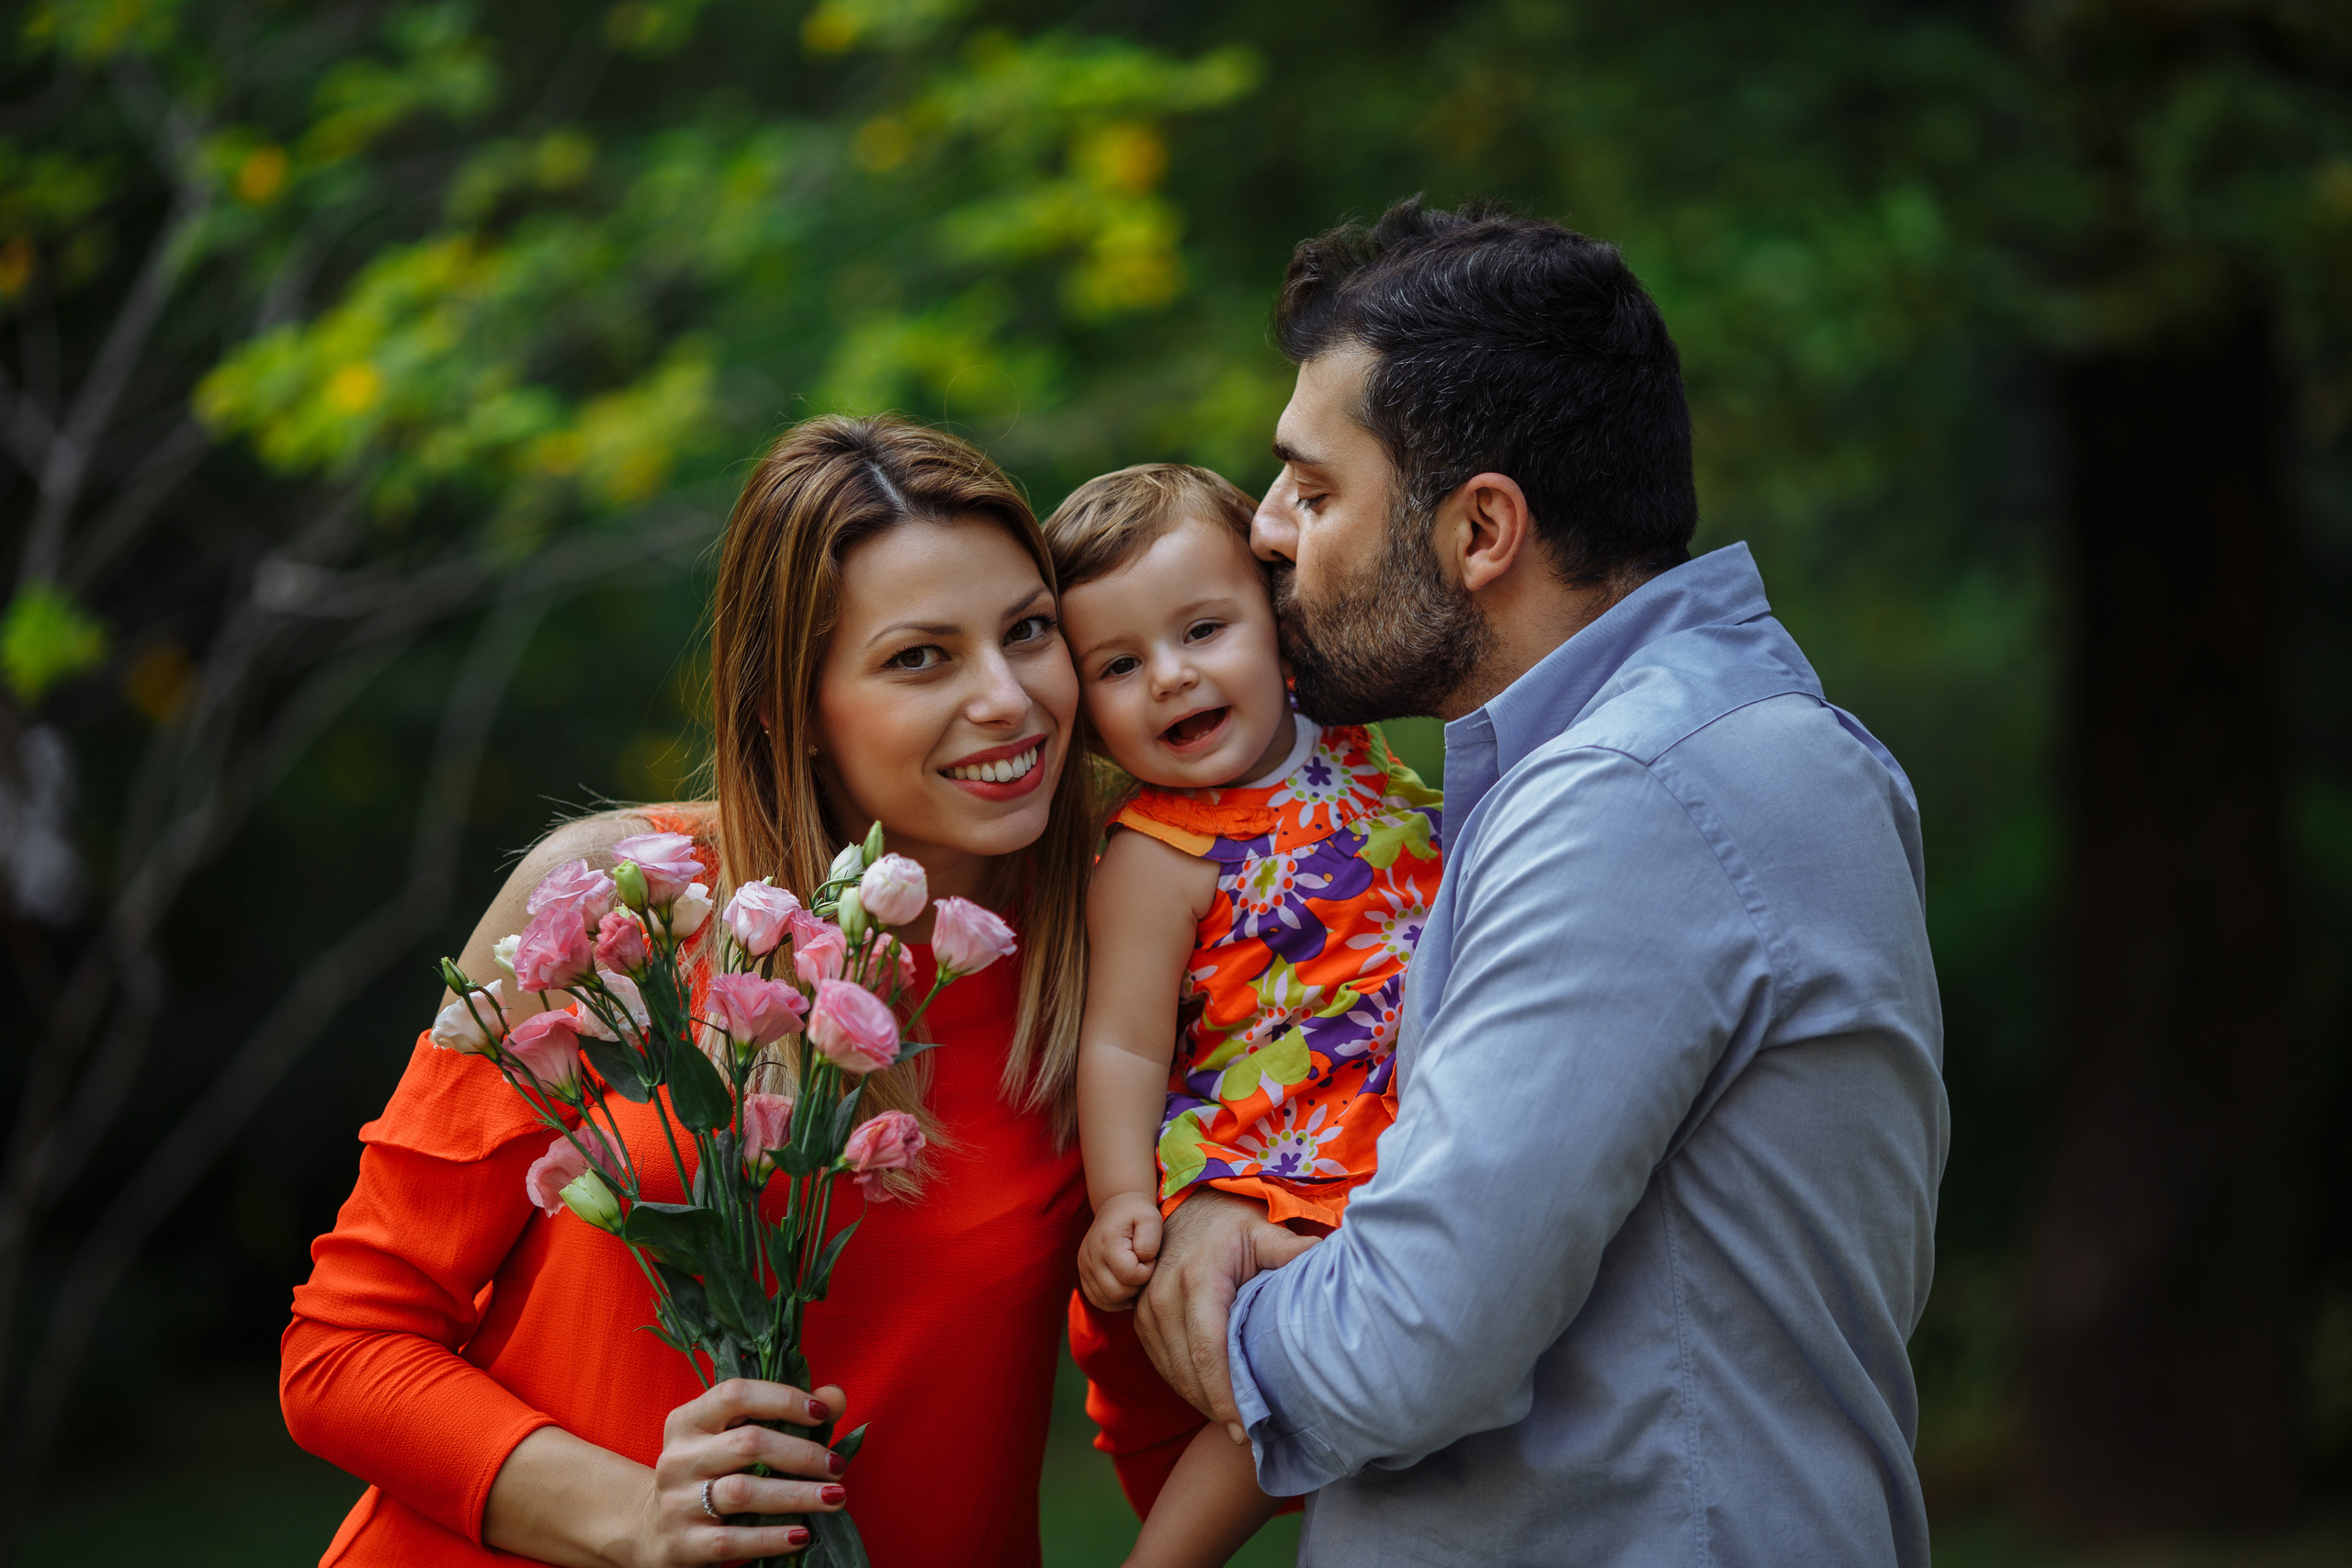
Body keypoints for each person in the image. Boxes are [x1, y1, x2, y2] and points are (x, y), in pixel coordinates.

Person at [1134, 198, 1949, 1565]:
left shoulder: (1630, 797)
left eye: (1317, 489)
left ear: (1482, 531)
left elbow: (1406, 1347)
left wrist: (1217, 1282)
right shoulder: (1712, 745)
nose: (1264, 529)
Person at [281, 415, 1099, 1567]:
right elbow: (343, 1350)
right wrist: (631, 1515)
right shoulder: (616, 908)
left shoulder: (1109, 961)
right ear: (788, 711)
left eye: (1028, 632)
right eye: (921, 657)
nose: (1009, 698)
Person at [1041, 464, 1445, 1566]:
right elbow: (1120, 1041)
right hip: (1279, 1147)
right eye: (1118, 665)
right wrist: (1126, 1197)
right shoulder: (1154, 854)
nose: (1170, 679)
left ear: (1276, 621)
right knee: (1278, 1363)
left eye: (1202, 629)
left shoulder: (1354, 733)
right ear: (1080, 713)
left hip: (1412, 1112)